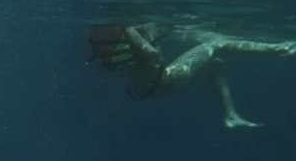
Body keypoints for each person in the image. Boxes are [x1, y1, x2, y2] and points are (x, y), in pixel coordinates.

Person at [88, 22, 296, 128]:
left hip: (145, 89)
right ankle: (279, 49)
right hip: (166, 79)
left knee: (216, 65)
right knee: (216, 44)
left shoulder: (115, 48)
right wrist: (135, 34)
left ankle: (230, 115)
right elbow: (153, 56)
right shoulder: (129, 36)